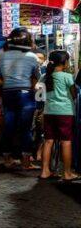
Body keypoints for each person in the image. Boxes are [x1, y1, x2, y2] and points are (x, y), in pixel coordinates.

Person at [0, 28, 40, 169]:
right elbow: (36, 76)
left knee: (9, 127)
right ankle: (26, 162)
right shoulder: (32, 57)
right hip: (25, 94)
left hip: (8, 93)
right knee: (25, 129)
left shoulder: (1, 54)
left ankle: (8, 160)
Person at [39, 50, 77, 181]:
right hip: (65, 112)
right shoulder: (67, 76)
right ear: (65, 62)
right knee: (66, 142)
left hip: (49, 111)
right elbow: (73, 94)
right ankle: (66, 173)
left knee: (48, 141)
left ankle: (44, 171)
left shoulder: (44, 76)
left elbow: (39, 94)